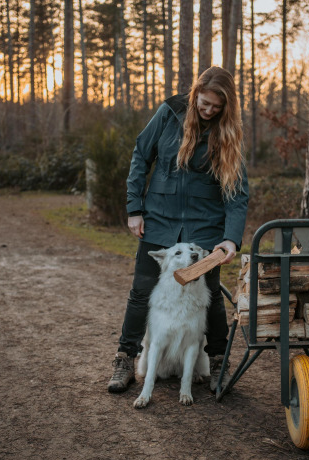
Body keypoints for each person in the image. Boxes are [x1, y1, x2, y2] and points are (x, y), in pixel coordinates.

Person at [108, 66, 249, 394]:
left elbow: (237, 192)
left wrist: (230, 237)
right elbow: (141, 157)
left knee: (209, 296)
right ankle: (126, 359)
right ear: (195, 92)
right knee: (141, 291)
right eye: (204, 103)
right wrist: (134, 209)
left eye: (216, 107)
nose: (209, 111)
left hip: (205, 229)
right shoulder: (169, 113)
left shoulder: (228, 132)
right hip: (159, 220)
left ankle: (217, 362)